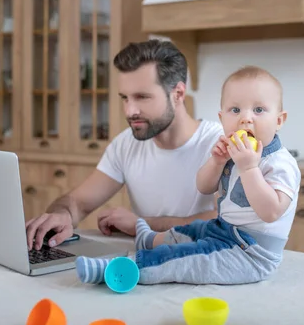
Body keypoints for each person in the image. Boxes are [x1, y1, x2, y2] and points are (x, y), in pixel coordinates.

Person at [75, 65, 301, 285]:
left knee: (184, 258)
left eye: (259, 110)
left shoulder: (280, 163)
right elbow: (203, 187)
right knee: (190, 231)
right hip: (223, 231)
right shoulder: (232, 153)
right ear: (222, 118)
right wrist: (216, 161)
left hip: (251, 252)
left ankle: (121, 268)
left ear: (279, 120)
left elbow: (271, 212)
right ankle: (150, 239)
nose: (246, 118)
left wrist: (249, 169)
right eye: (235, 110)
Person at [25, 39, 224, 250]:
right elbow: (77, 202)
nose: (130, 111)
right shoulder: (126, 143)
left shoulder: (220, 145)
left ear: (178, 94)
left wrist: (142, 225)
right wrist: (61, 215)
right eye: (125, 98)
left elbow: (224, 222)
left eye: (142, 97)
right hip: (147, 266)